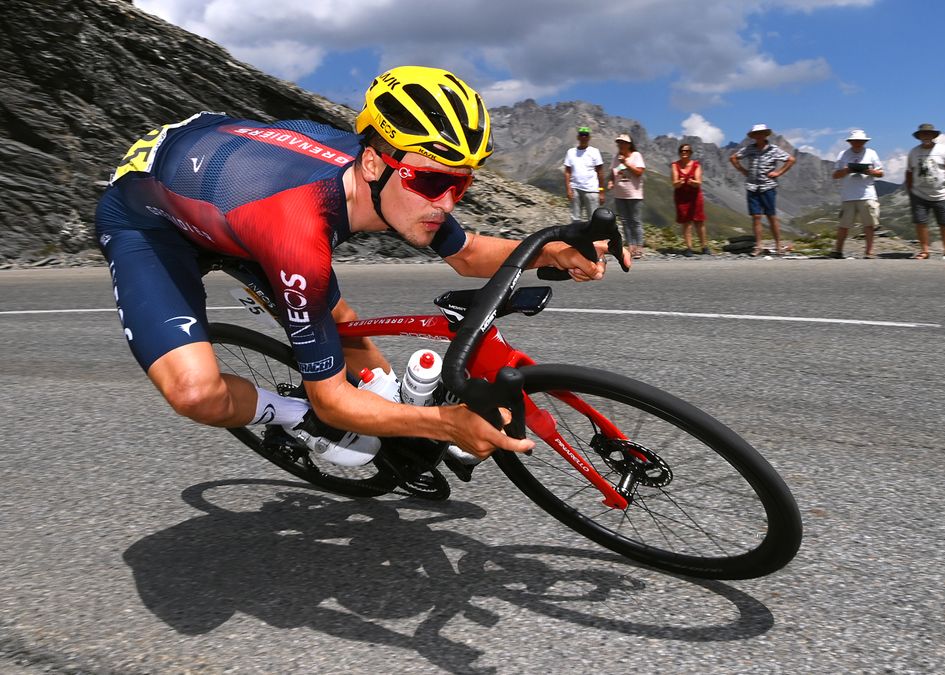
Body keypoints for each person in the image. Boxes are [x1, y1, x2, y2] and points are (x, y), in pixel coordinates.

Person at [95, 66, 627, 472]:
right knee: (196, 393)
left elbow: (467, 256)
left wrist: (553, 251)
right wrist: (446, 424)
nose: (445, 201)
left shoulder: (394, 176)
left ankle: (387, 407)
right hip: (150, 223)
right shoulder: (299, 231)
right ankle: (290, 416)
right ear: (374, 163)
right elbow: (332, 400)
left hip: (230, 186)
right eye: (430, 182)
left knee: (335, 317)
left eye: (459, 184)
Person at [729, 123, 795, 256]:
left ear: (765, 135)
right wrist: (743, 170)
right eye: (756, 134)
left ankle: (778, 245)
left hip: (767, 186)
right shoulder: (749, 149)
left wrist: (778, 173)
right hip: (752, 186)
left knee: (771, 216)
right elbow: (733, 158)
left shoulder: (773, 149)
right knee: (756, 216)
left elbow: (790, 159)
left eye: (761, 133)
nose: (759, 136)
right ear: (753, 136)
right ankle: (758, 246)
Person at [905, 122, 945, 259]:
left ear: (933, 136)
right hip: (919, 194)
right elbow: (908, 171)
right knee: (920, 222)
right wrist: (910, 189)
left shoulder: (943, 150)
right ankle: (925, 251)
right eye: (923, 134)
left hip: (941, 194)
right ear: (919, 137)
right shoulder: (913, 152)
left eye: (928, 134)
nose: (926, 136)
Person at [830, 129, 884, 259]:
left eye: (860, 141)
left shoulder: (871, 153)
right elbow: (835, 175)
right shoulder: (843, 155)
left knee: (869, 225)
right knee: (844, 225)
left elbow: (881, 173)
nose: (858, 143)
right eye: (855, 141)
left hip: (867, 193)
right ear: (850, 142)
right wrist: (847, 170)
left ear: (864, 142)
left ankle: (869, 252)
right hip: (848, 195)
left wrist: (869, 171)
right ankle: (838, 250)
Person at [608, 133, 646, 259]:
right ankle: (631, 246)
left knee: (635, 221)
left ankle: (639, 247)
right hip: (620, 195)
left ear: (629, 144)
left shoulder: (636, 156)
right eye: (619, 142)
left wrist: (626, 163)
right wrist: (611, 181)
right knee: (625, 221)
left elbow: (639, 172)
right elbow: (613, 173)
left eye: (623, 143)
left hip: (634, 195)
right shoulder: (616, 158)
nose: (620, 145)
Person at [563, 126, 606, 222]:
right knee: (575, 218)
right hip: (575, 189)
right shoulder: (570, 152)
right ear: (578, 137)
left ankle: (594, 237)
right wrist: (568, 189)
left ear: (589, 137)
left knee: (594, 219)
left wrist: (602, 191)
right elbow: (567, 172)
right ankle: (576, 237)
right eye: (581, 135)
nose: (583, 137)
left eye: (586, 135)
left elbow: (600, 172)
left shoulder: (595, 152)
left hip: (592, 190)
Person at [671, 143, 707, 256]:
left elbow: (699, 182)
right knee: (686, 222)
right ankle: (689, 248)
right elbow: (674, 183)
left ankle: (704, 246)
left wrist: (693, 182)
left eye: (686, 151)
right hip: (682, 197)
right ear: (679, 152)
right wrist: (679, 182)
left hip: (695, 196)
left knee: (699, 221)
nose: (684, 153)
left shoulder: (696, 165)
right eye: (682, 151)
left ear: (690, 153)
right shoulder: (675, 165)